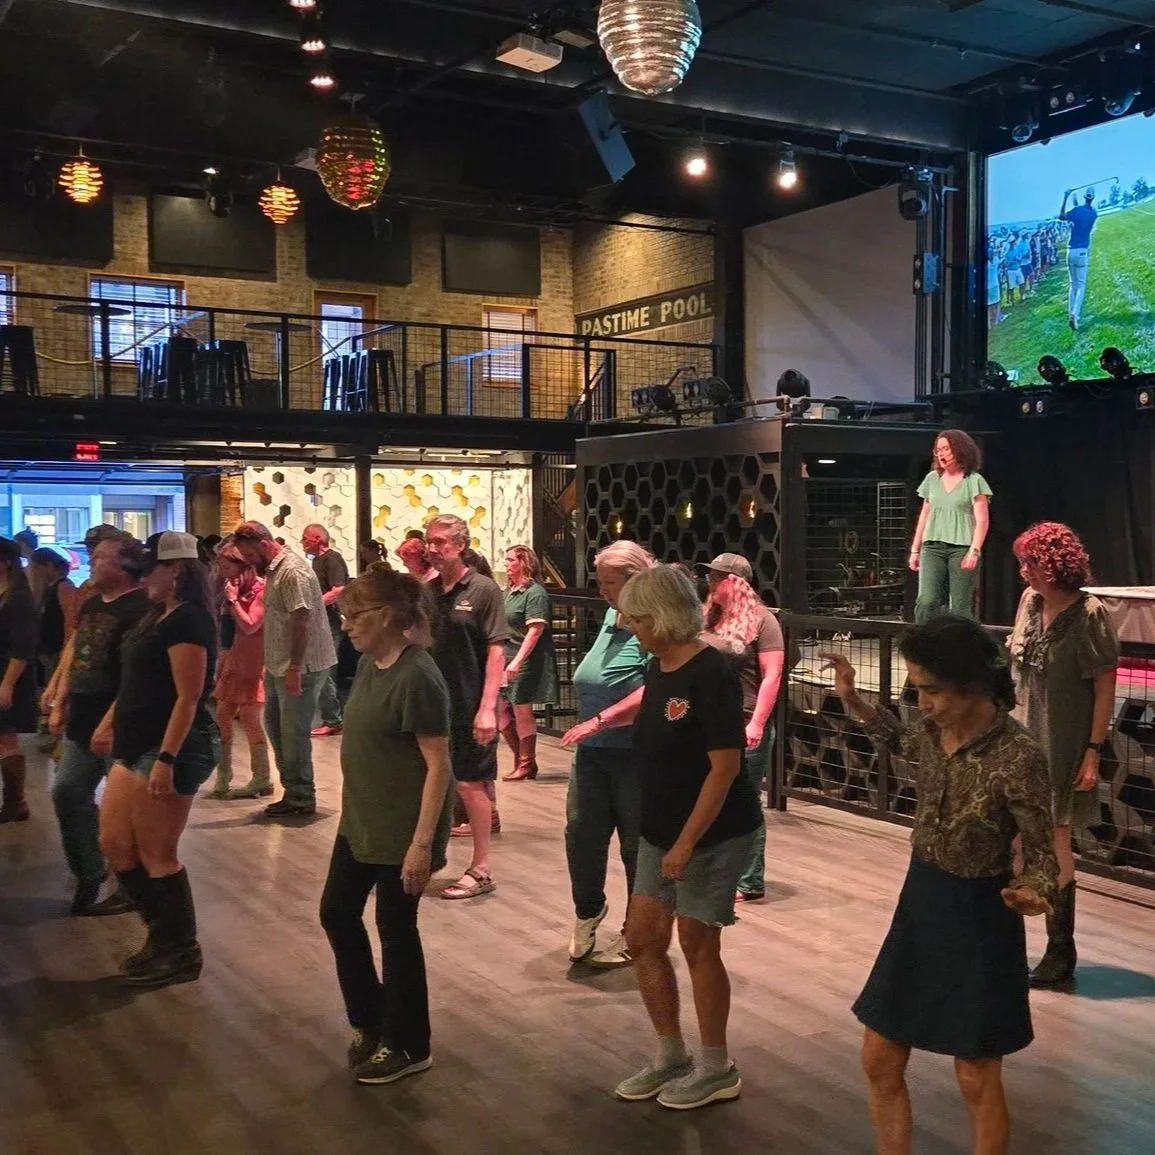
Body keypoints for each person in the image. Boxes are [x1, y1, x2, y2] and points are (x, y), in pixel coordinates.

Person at [821, 616, 1057, 1155]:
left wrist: (1032, 892)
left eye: (931, 690)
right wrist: (852, 699)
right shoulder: (929, 731)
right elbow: (896, 736)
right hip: (922, 899)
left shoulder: (1018, 756)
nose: (922, 702)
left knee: (976, 1071)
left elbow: (1045, 856)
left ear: (971, 684)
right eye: (917, 689)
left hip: (981, 915)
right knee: (878, 1058)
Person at [609, 564, 759, 1110]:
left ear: (668, 616)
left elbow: (724, 768)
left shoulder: (711, 672)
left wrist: (686, 843)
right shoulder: (659, 666)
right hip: (661, 829)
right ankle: (671, 1054)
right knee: (643, 938)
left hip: (712, 834)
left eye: (640, 617)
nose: (631, 626)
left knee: (698, 943)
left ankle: (717, 1067)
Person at [319, 568, 453, 1085]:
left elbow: (439, 765)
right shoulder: (373, 665)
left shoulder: (419, 675)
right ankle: (371, 1020)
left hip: (402, 828)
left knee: (396, 932)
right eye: (346, 614)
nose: (347, 624)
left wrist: (422, 844)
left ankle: (408, 1043)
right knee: (337, 913)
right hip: (361, 821)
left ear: (391, 617)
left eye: (357, 615)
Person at [92, 532, 219, 990]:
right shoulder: (156, 615)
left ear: (177, 571)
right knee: (114, 841)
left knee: (156, 852)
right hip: (136, 741)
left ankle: (181, 950)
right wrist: (110, 721)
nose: (144, 575)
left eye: (153, 568)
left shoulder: (189, 620)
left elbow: (189, 697)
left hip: (170, 747)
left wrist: (166, 758)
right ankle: (162, 937)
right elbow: (134, 681)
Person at [1008, 522, 1118, 988]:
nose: (1023, 572)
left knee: (1055, 841)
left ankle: (1059, 952)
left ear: (1054, 566)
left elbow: (1104, 688)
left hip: (1063, 743)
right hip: (1019, 739)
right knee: (1011, 839)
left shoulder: (1090, 613)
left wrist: (1092, 752)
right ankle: (1005, 945)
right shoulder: (1029, 604)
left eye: (1030, 563)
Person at [560, 541, 654, 968]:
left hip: (635, 754)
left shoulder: (653, 622)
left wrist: (601, 719)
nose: (601, 590)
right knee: (581, 834)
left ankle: (640, 932)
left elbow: (658, 688)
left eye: (609, 583)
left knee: (636, 845)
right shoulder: (613, 617)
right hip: (593, 754)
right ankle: (587, 910)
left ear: (634, 582)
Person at [46, 531, 150, 913]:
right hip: (82, 721)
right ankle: (90, 870)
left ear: (124, 564)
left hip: (120, 725)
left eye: (101, 556)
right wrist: (61, 700)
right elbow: (76, 653)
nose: (91, 560)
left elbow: (136, 676)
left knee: (125, 813)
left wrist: (112, 720)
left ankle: (131, 885)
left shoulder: (140, 608)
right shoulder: (91, 604)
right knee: (67, 792)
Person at [423, 514, 507, 900]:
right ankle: (428, 855)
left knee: (471, 782)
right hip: (434, 706)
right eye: (430, 541)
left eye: (440, 542)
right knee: (434, 781)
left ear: (460, 546)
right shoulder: (428, 592)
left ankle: (481, 867)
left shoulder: (484, 590)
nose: (433, 548)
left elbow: (495, 650)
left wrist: (487, 706)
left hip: (470, 703)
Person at [232, 521, 337, 818]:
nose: (250, 563)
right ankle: (293, 791)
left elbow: (301, 620)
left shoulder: (292, 570)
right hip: (282, 662)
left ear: (264, 545)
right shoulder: (277, 570)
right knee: (277, 728)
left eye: (251, 556)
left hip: (302, 664)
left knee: (293, 732)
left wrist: (294, 666)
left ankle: (302, 796)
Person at [701, 571, 784, 902]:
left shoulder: (763, 621)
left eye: (717, 578)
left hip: (745, 721)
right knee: (713, 799)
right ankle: (719, 871)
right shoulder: (711, 616)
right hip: (713, 722)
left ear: (736, 582)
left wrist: (757, 723)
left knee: (744, 801)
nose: (711, 583)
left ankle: (749, 879)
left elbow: (773, 674)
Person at [208, 535, 271, 800]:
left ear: (244, 567)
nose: (224, 574)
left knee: (250, 720)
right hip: (235, 658)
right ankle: (224, 776)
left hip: (254, 662)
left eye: (228, 568)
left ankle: (261, 778)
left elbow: (250, 624)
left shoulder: (261, 589)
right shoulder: (233, 590)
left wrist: (233, 602)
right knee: (222, 715)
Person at [909, 429, 992, 622]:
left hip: (961, 548)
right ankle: (922, 644)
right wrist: (915, 549)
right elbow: (924, 515)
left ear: (959, 449)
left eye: (946, 449)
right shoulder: (932, 479)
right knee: (927, 601)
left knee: (960, 607)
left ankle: (959, 648)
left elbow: (982, 520)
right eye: (938, 450)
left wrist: (974, 550)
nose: (941, 454)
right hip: (932, 547)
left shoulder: (974, 481)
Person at [500, 545, 559, 782]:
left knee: (520, 706)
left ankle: (526, 762)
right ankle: (520, 757)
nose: (505, 563)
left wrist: (516, 661)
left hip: (525, 657)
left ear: (523, 562)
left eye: (510, 559)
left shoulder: (534, 593)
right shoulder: (508, 591)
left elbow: (535, 631)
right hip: (506, 654)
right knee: (498, 708)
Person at [0, 538, 39, 823]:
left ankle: (15, 801)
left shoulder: (18, 598)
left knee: (6, 736)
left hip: (7, 672)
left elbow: (22, 646)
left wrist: (7, 683)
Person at [302, 523, 348, 738]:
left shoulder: (332, 559)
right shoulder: (318, 561)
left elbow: (338, 590)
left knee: (325, 670)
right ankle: (330, 717)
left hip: (329, 624)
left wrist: (314, 606)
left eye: (305, 538)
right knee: (321, 669)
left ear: (317, 538)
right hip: (321, 623)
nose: (302, 542)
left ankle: (333, 719)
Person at [28, 546, 81, 697]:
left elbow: (70, 618)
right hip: (46, 649)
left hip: (55, 649)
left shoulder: (64, 586)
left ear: (50, 566)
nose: (36, 574)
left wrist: (66, 649)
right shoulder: (48, 588)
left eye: (38, 569)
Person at [1060, 186, 1098, 332]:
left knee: (1073, 284)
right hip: (1082, 251)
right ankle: (1075, 314)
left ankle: (1070, 312)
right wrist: (1074, 199)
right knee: (1081, 285)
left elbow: (1062, 216)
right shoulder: (1093, 213)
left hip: (1070, 251)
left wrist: (1066, 196)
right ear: (1092, 198)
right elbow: (1082, 212)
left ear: (1085, 197)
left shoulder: (1077, 211)